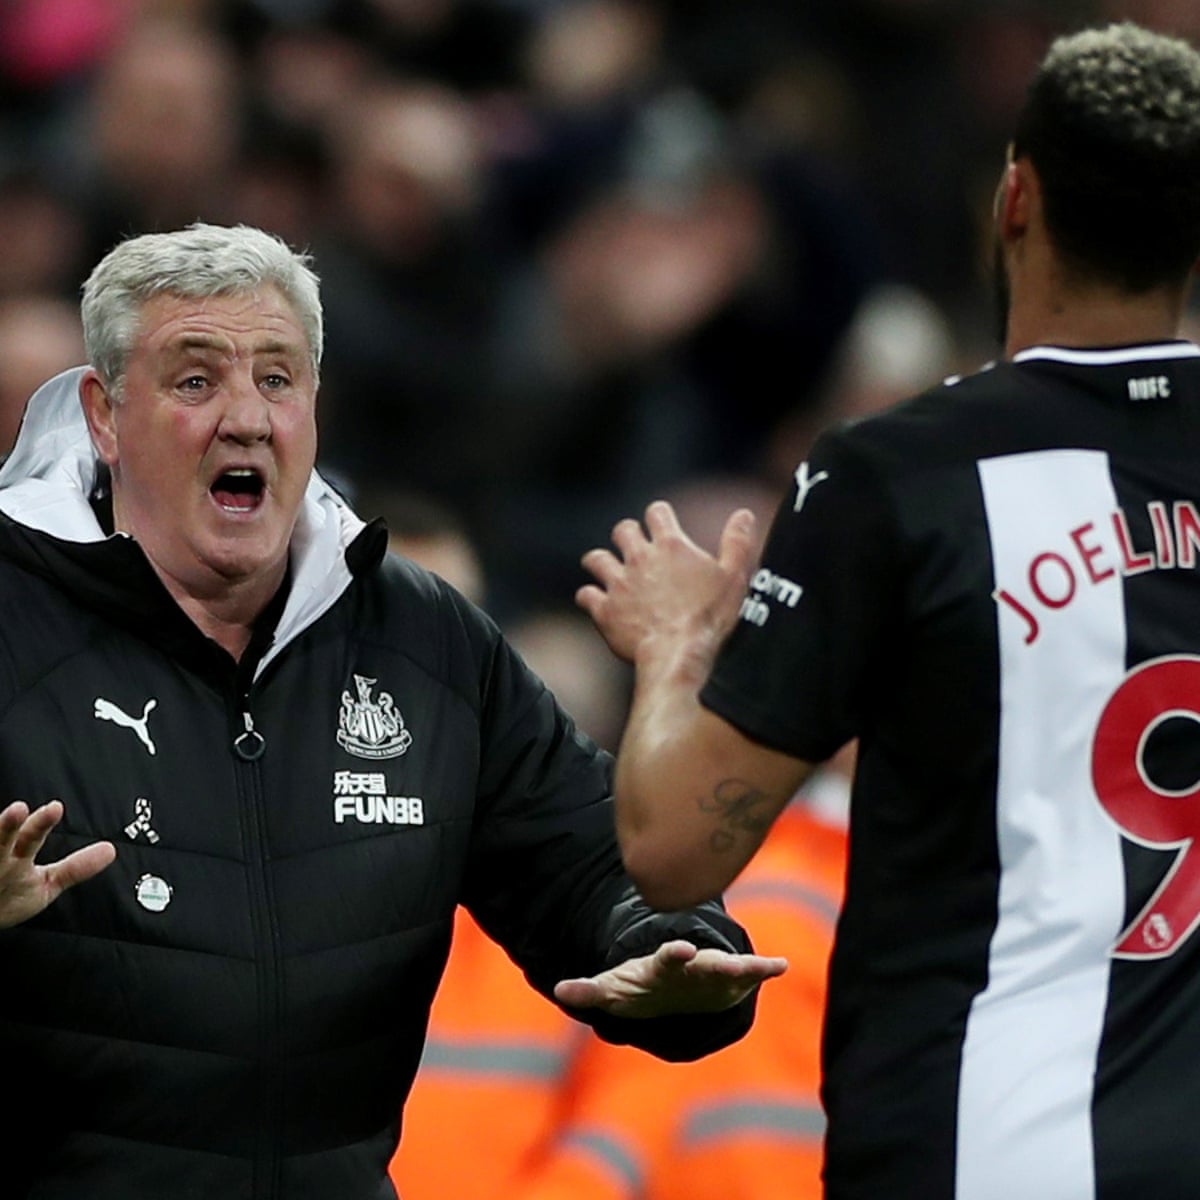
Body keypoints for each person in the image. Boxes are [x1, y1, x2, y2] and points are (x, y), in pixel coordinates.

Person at [0, 222, 786, 1199]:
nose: (246, 417)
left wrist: (673, 951)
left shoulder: (423, 641)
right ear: (105, 415)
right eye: (196, 380)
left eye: (278, 379)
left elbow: (589, 859)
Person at [578, 21, 1200, 1200]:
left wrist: (674, 649)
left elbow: (671, 849)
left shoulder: (899, 478)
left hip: (985, 1143)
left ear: (1014, 200)